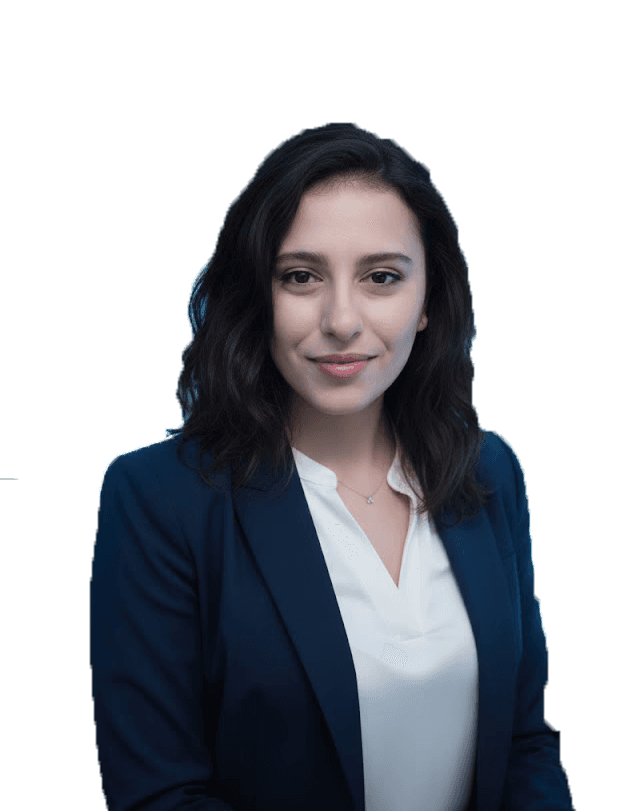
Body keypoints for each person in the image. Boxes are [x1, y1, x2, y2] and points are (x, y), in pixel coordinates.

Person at [89, 122, 575, 811]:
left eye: (381, 277)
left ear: (428, 299)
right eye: (300, 276)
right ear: (259, 297)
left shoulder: (489, 471)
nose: (341, 318)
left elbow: (524, 740)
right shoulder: (160, 499)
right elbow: (162, 794)